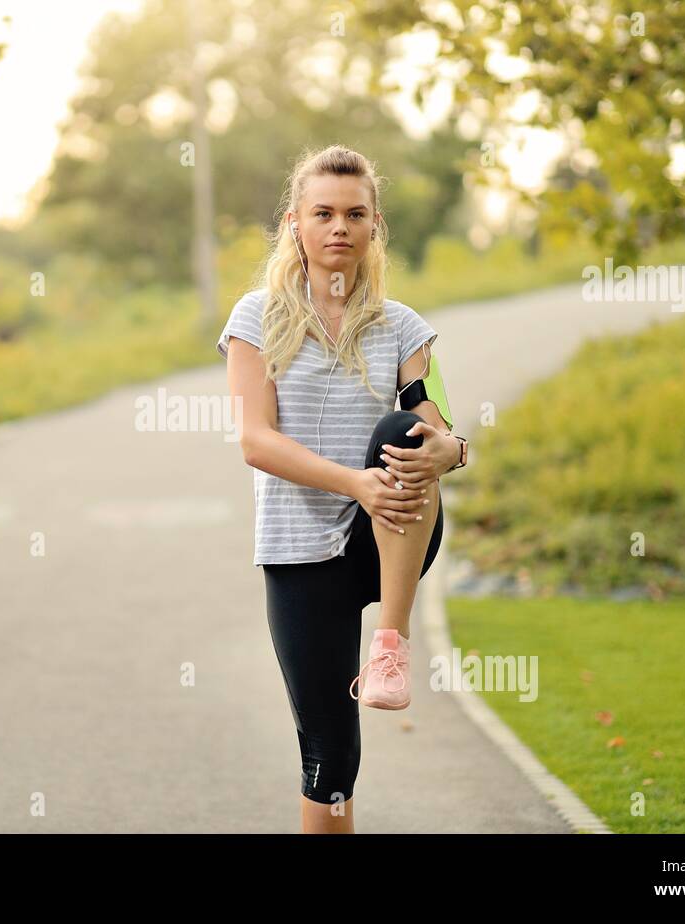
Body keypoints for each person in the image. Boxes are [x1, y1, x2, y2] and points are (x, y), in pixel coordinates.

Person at [216, 144, 468, 834]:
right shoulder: (257, 317)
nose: (339, 227)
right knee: (331, 760)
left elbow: (435, 428)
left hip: (388, 535)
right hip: (300, 554)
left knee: (404, 429)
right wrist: (354, 482)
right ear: (294, 222)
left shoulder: (401, 326)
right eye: (322, 212)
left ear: (374, 224)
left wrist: (451, 448)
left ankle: (391, 642)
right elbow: (255, 441)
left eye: (354, 214)